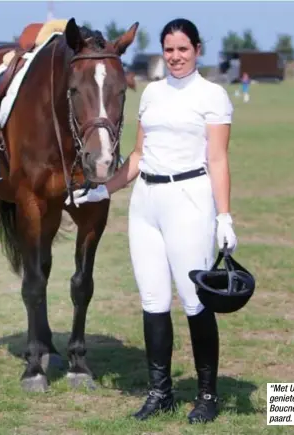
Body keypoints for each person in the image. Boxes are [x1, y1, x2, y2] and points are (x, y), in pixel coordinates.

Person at [66, 18, 238, 424]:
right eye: (169, 49)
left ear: (197, 49)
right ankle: (160, 392)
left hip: (190, 200)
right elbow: (139, 157)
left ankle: (207, 395)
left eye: (183, 49)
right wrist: (101, 190)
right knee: (153, 300)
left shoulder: (213, 95)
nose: (175, 57)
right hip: (146, 201)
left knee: (195, 300)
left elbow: (217, 158)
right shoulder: (151, 94)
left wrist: (225, 215)